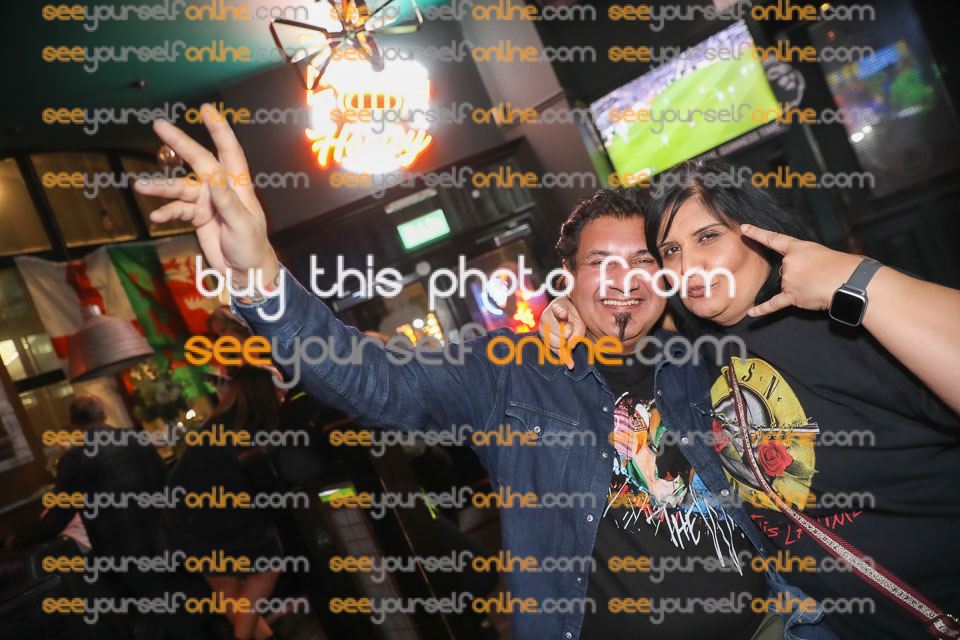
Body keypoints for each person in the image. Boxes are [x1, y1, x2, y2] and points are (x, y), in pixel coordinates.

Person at [133, 106, 834, 640]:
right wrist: (259, 276)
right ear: (568, 277)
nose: (624, 282)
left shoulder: (707, 360)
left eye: (645, 263)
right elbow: (373, 379)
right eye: (600, 264)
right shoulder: (509, 376)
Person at [541, 158, 960, 639]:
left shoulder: (845, 320)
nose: (687, 267)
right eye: (671, 250)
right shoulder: (694, 349)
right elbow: (620, 312)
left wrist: (859, 278)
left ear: (758, 231)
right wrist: (571, 303)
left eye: (708, 237)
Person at [10, 395, 212, 640]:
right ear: (103, 414)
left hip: (125, 552)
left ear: (74, 423)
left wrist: (18, 541)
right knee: (190, 603)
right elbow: (167, 484)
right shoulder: (136, 438)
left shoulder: (74, 459)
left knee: (168, 615)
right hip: (164, 536)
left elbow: (58, 517)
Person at [162, 365, 286, 640]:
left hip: (183, 513)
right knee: (268, 567)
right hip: (210, 513)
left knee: (225, 587)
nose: (282, 398)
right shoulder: (249, 428)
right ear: (264, 393)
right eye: (279, 392)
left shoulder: (223, 421)